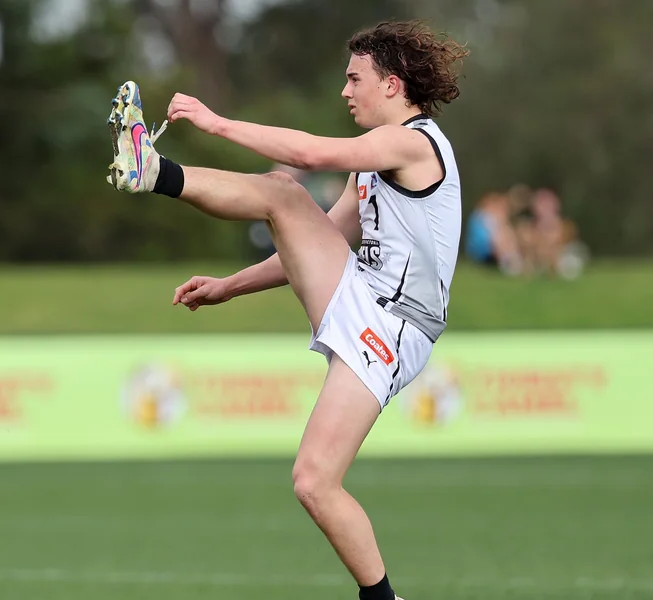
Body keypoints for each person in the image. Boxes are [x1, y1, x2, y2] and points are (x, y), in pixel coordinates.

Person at [105, 20, 467, 600]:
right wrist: (230, 286)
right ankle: (153, 172)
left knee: (315, 481)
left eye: (355, 79)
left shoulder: (412, 141)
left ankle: (154, 172)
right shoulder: (372, 165)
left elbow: (306, 153)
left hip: (396, 324)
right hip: (366, 299)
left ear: (393, 85)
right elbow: (315, 240)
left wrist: (215, 121)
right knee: (314, 483)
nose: (346, 91)